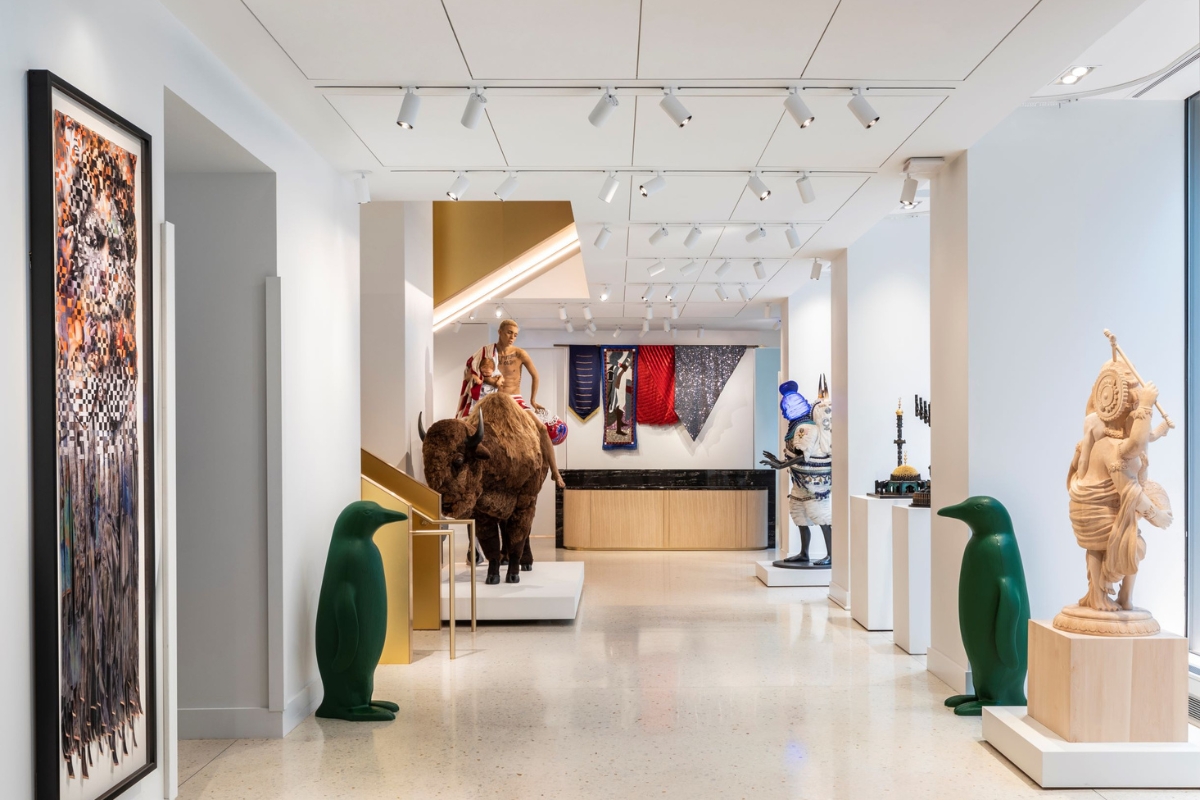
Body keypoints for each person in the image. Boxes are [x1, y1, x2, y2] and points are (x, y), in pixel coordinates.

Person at [459, 319, 565, 489]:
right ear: (500, 332)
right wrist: (488, 381)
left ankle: (555, 471)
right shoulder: (486, 353)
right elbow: (470, 372)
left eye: (515, 335)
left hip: (515, 399)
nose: (512, 337)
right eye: (509, 333)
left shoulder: (519, 353)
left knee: (543, 428)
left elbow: (535, 376)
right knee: (467, 427)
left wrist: (532, 400)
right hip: (493, 399)